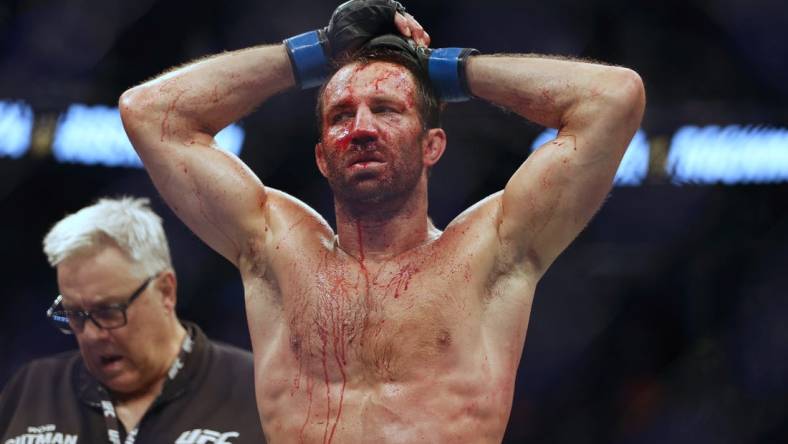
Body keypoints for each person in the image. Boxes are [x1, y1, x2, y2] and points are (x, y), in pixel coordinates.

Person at [118, 1, 645, 442]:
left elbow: (613, 98)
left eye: (388, 110)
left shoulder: (492, 248)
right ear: (323, 156)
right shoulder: (275, 246)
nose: (361, 128)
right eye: (341, 115)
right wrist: (317, 51)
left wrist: (441, 69)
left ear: (432, 144)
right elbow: (150, 112)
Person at [0, 197, 266, 443]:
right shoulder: (31, 388)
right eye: (75, 314)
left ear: (166, 291)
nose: (91, 335)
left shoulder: (255, 391)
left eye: (108, 311)